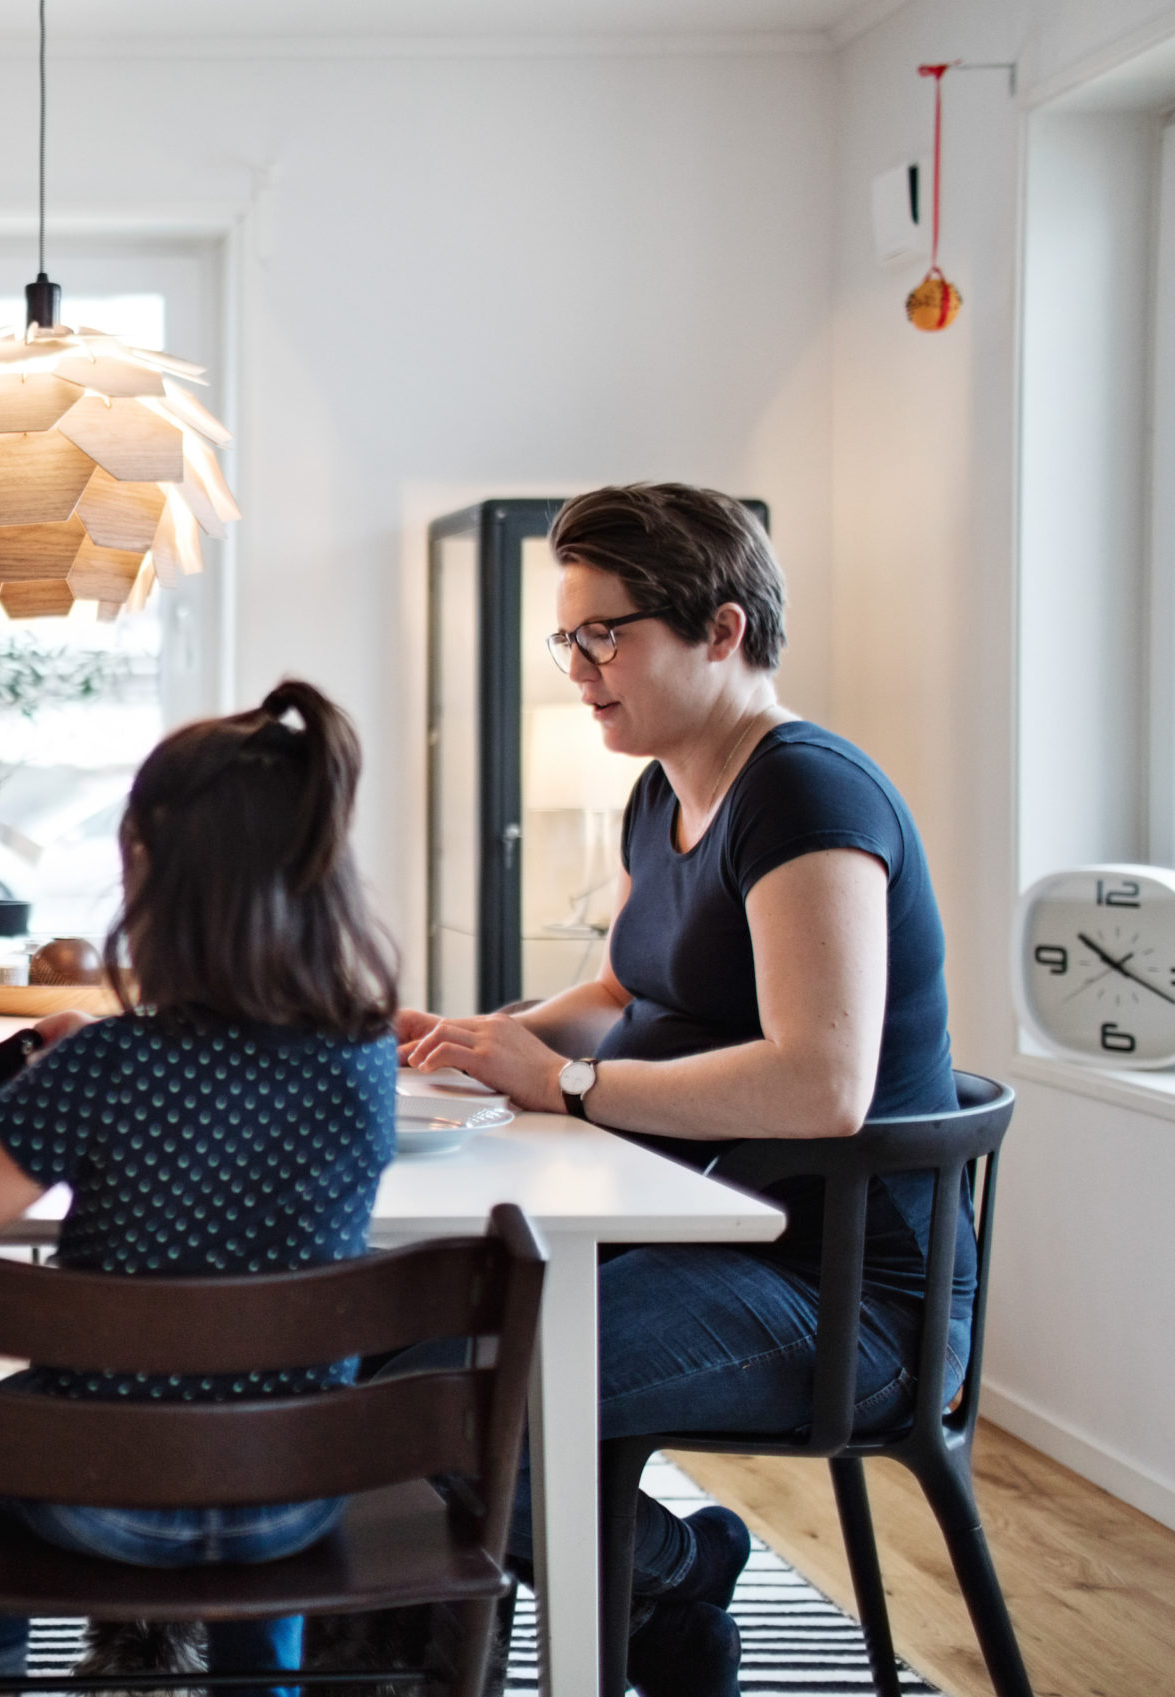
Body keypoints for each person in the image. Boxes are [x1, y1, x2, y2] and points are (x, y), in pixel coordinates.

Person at [400, 484, 969, 1697]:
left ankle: (670, 1572)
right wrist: (476, 1037)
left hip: (841, 1295)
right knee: (389, 1349)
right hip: (701, 1231)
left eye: (604, 634)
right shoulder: (662, 787)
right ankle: (656, 1578)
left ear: (719, 630)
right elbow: (617, 982)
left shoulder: (807, 793)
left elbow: (823, 1082)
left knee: (441, 1404)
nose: (578, 667)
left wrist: (566, 1082)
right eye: (571, 638)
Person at [0, 679, 402, 1697]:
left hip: (101, 1487)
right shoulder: (360, 1058)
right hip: (293, 1489)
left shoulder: (111, 1066)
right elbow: (230, 1110)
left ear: (146, 867)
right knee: (265, 1442)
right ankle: (258, 1682)